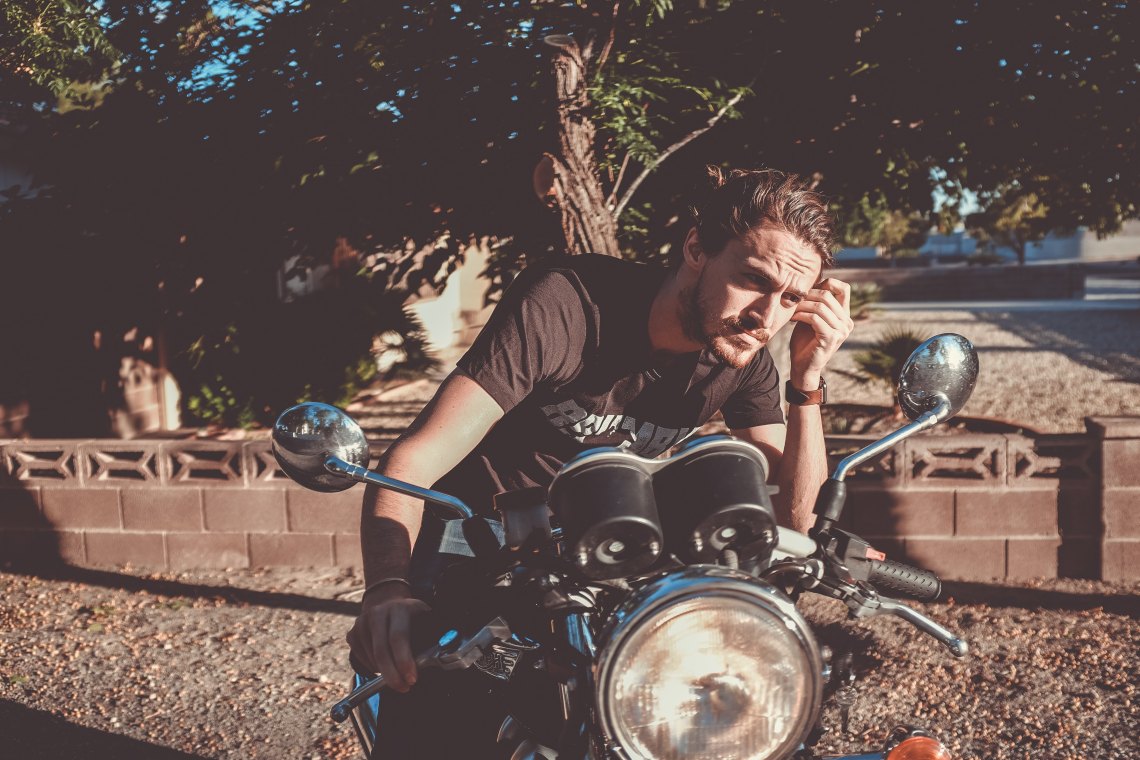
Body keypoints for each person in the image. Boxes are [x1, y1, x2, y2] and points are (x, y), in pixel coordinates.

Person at [350, 167, 854, 755]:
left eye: (790, 299)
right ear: (696, 248)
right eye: (752, 279)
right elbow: (416, 458)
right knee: (433, 717)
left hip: (612, 545)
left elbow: (797, 523)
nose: (765, 318)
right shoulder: (566, 304)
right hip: (478, 534)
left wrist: (808, 380)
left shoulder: (744, 358)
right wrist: (387, 586)